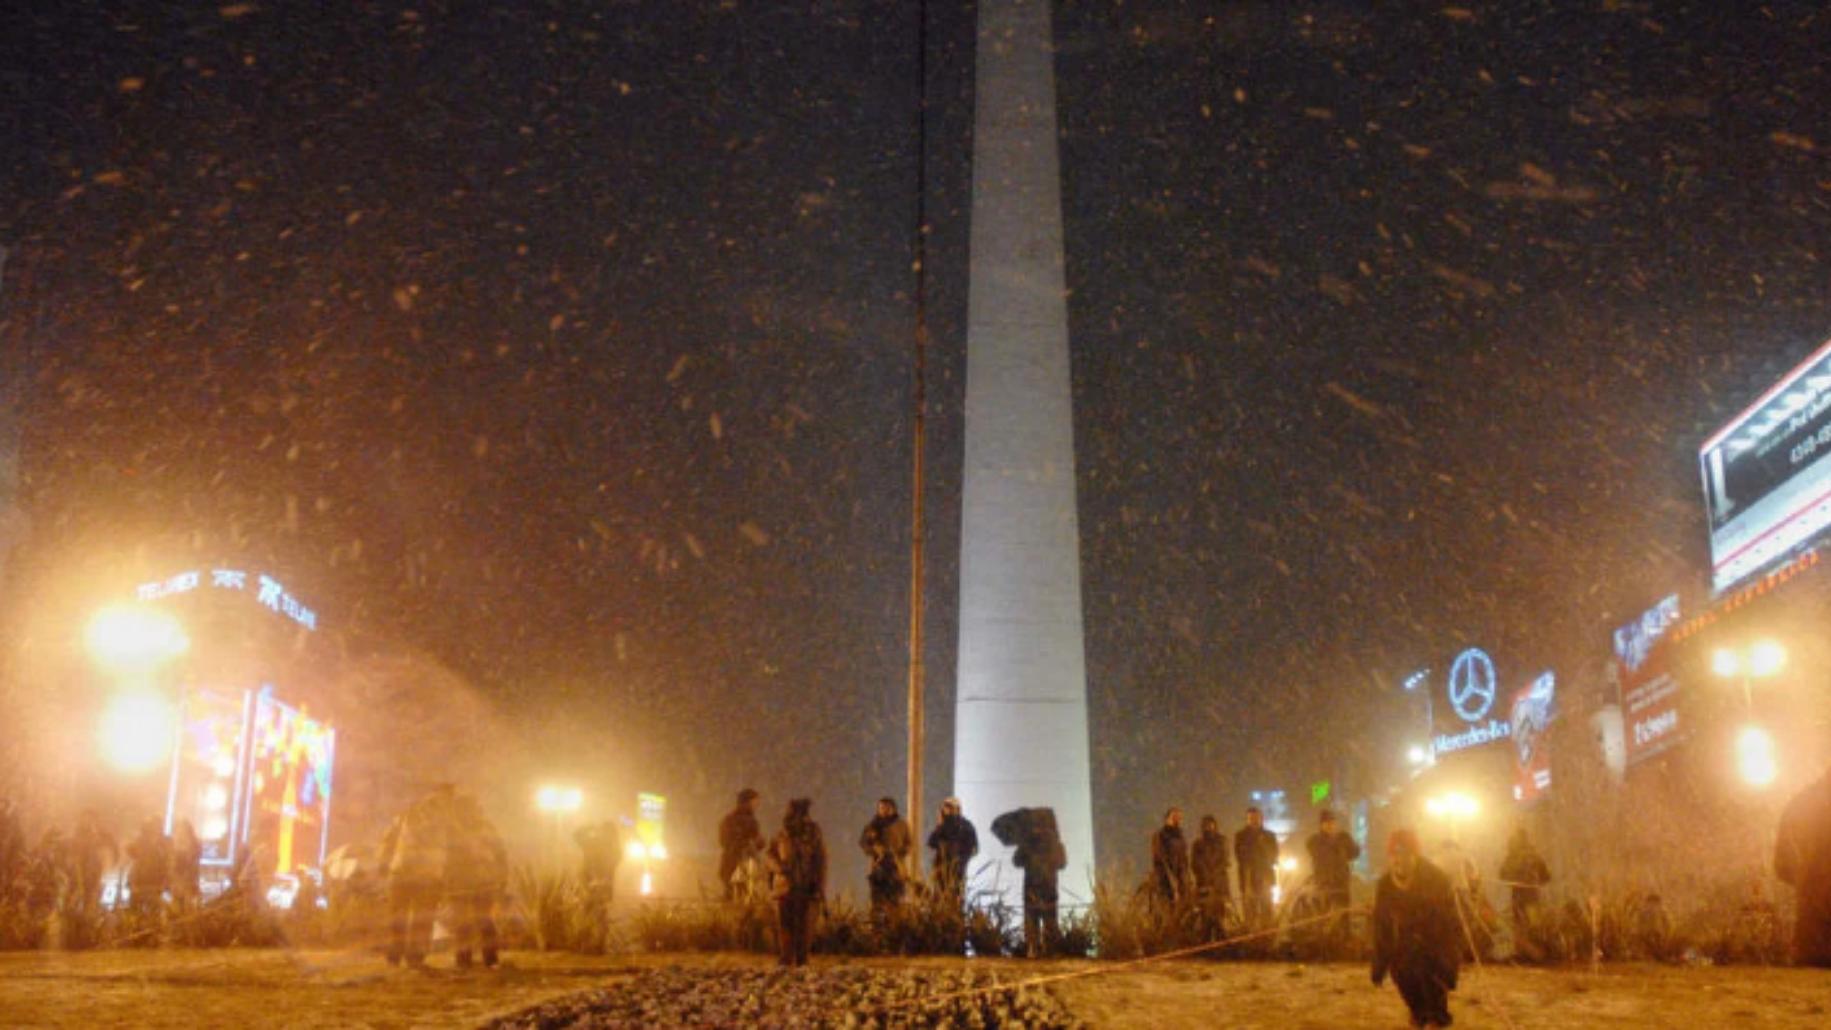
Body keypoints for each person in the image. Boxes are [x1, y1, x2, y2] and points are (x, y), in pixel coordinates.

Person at [1371, 828, 1461, 1030]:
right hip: (1403, 947)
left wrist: (1449, 963)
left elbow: (1449, 925)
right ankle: (1419, 1016)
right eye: (1394, 855)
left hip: (1434, 945)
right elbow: (1381, 926)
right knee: (1405, 981)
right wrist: (1379, 964)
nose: (1399, 861)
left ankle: (1435, 1019)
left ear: (1415, 856)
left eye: (1404, 855)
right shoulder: (1385, 885)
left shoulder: (1436, 880)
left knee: (1433, 992)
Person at [377, 786, 454, 968]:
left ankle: (398, 956)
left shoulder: (408, 815)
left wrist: (384, 862)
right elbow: (453, 850)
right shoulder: (446, 822)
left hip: (406, 873)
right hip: (423, 875)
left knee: (402, 918)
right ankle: (412, 958)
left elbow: (389, 839)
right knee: (420, 919)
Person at [992, 807, 1067, 958]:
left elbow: (1016, 862)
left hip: (1031, 885)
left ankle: (1032, 949)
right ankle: (1050, 950)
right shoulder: (1055, 843)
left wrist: (1026, 851)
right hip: (1049, 886)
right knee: (1050, 918)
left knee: (1031, 917)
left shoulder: (1027, 843)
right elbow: (1062, 863)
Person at [1776, 766, 1831, 967]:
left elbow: (1782, 865)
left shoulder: (1802, 804)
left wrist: (1807, 883)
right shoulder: (1806, 806)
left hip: (1812, 946)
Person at [446, 793, 508, 969]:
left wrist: (501, 875)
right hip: (468, 882)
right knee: (472, 922)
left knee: (478, 921)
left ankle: (477, 959)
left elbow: (500, 854)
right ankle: (479, 960)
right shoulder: (461, 829)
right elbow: (500, 854)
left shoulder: (473, 829)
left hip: (477, 881)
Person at [767, 797, 827, 967]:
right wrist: (778, 868)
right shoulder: (781, 834)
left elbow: (820, 861)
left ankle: (802, 960)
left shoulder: (814, 834)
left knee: (805, 926)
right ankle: (785, 959)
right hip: (784, 886)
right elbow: (770, 856)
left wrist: (819, 886)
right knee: (784, 924)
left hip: (806, 886)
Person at [1305, 810, 1361, 929]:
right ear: (1321, 825)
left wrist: (1347, 846)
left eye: (1332, 822)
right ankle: (1325, 941)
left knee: (1344, 913)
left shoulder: (1343, 838)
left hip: (1341, 882)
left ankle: (1345, 938)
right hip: (1324, 884)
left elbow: (1354, 853)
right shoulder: (1314, 840)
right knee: (1324, 916)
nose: (1330, 825)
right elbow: (1317, 853)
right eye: (1326, 822)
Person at [858, 797, 913, 914]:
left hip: (896, 867)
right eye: (881, 808)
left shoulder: (901, 825)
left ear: (893, 809)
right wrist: (874, 850)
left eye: (886, 808)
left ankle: (895, 927)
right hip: (878, 867)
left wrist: (900, 852)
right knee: (877, 902)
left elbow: (909, 843)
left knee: (896, 902)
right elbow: (863, 843)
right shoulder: (872, 826)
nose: (884, 811)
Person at [927, 797, 979, 905]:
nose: (947, 810)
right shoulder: (943, 825)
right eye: (946, 808)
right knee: (940, 894)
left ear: (957, 809)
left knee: (956, 894)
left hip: (956, 866)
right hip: (942, 865)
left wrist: (962, 858)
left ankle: (955, 916)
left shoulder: (965, 825)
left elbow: (973, 847)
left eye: (950, 808)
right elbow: (932, 842)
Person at [1234, 806, 1279, 929]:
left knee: (1266, 908)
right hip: (1248, 878)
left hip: (1265, 877)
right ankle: (1250, 934)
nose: (1254, 820)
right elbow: (1240, 857)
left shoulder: (1269, 836)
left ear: (1261, 818)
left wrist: (1262, 846)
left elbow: (1274, 856)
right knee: (1250, 910)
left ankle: (1267, 933)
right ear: (1247, 819)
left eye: (1256, 817)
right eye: (1251, 818)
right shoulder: (1240, 836)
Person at [717, 788, 766, 901]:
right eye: (755, 802)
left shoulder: (750, 821)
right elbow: (725, 841)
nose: (757, 805)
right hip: (735, 864)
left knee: (743, 896)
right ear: (746, 802)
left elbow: (756, 843)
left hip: (746, 866)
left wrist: (758, 843)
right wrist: (746, 844)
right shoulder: (731, 820)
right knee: (736, 896)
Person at [69, 809, 117, 921]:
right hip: (77, 876)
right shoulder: (77, 835)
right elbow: (74, 855)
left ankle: (88, 923)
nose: (88, 821)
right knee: (74, 905)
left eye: (91, 818)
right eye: (85, 818)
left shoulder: (99, 834)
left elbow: (113, 846)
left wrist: (113, 860)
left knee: (90, 904)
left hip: (93, 876)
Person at [1498, 827, 1551, 928]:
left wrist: (1514, 878)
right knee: (1535, 928)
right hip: (1531, 897)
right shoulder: (1533, 855)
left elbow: (1502, 875)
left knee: (1521, 929)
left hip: (1518, 898)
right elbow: (1546, 877)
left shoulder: (1512, 856)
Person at [1190, 815, 1231, 935]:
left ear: (1215, 825)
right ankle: (1205, 938)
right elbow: (1194, 862)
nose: (1208, 827)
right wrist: (1204, 874)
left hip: (1220, 882)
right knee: (1205, 912)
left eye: (1211, 824)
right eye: (1206, 824)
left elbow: (1225, 860)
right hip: (1203, 882)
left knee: (1220, 911)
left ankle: (1221, 938)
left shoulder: (1223, 841)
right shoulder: (1197, 843)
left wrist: (1216, 873)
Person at [124, 816, 171, 919]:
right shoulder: (141, 840)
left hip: (155, 881)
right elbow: (131, 851)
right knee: (135, 910)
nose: (156, 828)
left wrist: (166, 880)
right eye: (154, 826)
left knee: (153, 910)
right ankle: (135, 927)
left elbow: (168, 861)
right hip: (139, 880)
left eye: (158, 826)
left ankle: (149, 927)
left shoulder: (164, 842)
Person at [1150, 807, 1191, 906]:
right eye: (1174, 816)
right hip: (1165, 876)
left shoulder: (1181, 836)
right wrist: (1169, 875)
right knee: (1166, 902)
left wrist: (1186, 875)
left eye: (1179, 817)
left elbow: (1184, 857)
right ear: (1168, 818)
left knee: (1183, 903)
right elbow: (1159, 856)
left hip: (1181, 875)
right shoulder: (1160, 835)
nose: (1178, 819)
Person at [169, 820, 203, 908]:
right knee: (178, 898)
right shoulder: (175, 841)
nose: (180, 831)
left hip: (187, 874)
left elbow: (195, 856)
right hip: (179, 874)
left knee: (186, 897)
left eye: (182, 828)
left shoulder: (193, 842)